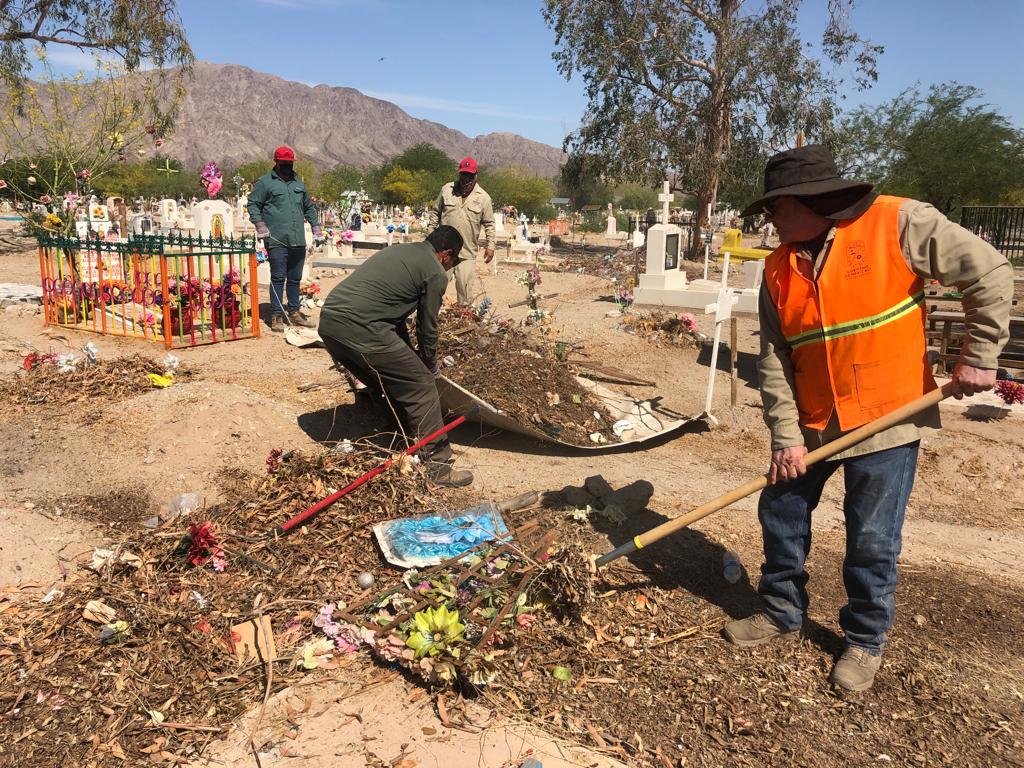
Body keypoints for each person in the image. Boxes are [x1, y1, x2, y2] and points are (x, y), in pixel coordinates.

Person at [723, 145, 1012, 692]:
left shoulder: (899, 223)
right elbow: (775, 359)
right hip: (812, 423)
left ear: (809, 201)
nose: (769, 220)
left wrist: (979, 355)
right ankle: (782, 610)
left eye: (774, 208)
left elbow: (991, 272)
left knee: (873, 538)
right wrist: (786, 436)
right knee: (781, 511)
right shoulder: (777, 269)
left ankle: (863, 640)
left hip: (888, 417)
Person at [317, 225, 472, 488]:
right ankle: (438, 465)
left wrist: (410, 355)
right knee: (421, 385)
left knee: (388, 376)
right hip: (361, 328)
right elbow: (427, 326)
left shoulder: (401, 252)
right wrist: (429, 363)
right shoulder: (434, 272)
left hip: (330, 324)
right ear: (445, 254)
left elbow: (392, 315)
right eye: (455, 261)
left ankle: (395, 433)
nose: (452, 267)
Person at [248, 145, 322, 332]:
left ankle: (294, 312)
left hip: (298, 240)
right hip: (276, 239)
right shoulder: (265, 183)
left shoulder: (299, 183)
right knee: (278, 278)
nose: (288, 165)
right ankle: (276, 315)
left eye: (290, 162)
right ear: (276, 162)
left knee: (295, 279)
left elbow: (309, 207)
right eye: (284, 163)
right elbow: (253, 204)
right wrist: (260, 225)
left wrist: (316, 227)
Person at [427, 157, 495, 305]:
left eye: (470, 176)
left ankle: (463, 320)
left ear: (476, 176)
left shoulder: (484, 198)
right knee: (436, 286)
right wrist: (429, 239)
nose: (466, 179)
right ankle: (431, 317)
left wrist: (491, 246)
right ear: (459, 174)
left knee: (464, 289)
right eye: (464, 175)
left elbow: (489, 224)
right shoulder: (447, 190)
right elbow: (435, 213)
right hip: (443, 251)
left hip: (466, 252)